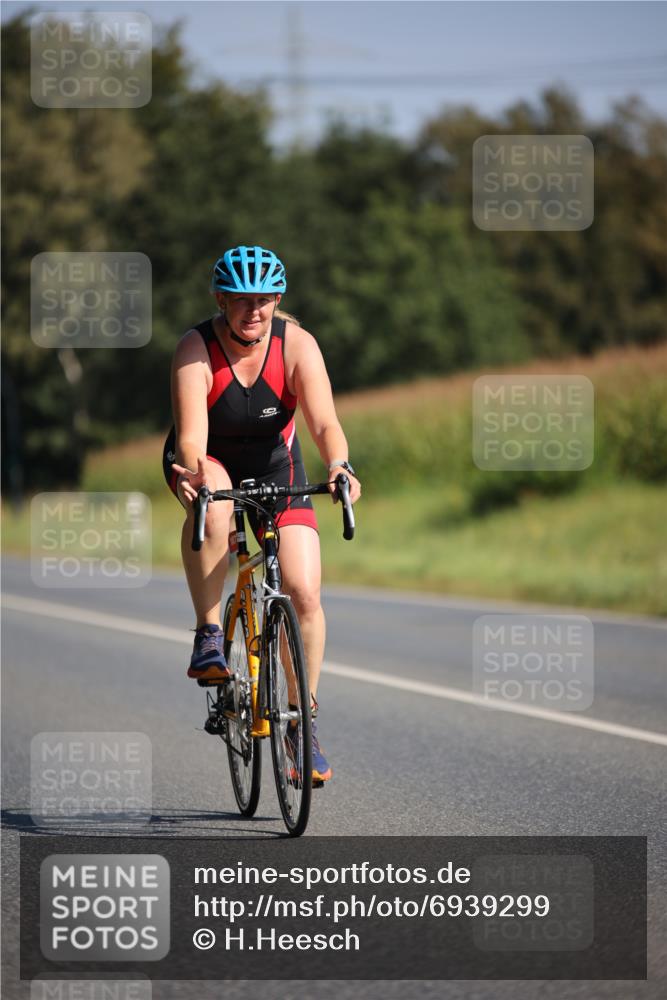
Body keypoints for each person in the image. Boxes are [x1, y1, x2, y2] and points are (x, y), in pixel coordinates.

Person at [162, 245, 361, 783]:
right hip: (208, 460)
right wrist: (196, 475)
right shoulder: (194, 349)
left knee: (304, 591)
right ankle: (208, 633)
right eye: (242, 300)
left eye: (265, 299)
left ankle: (302, 724)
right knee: (215, 498)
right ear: (221, 299)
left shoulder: (296, 345)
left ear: (278, 299)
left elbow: (324, 424)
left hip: (278, 465)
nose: (254, 310)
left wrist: (339, 465)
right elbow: (191, 440)